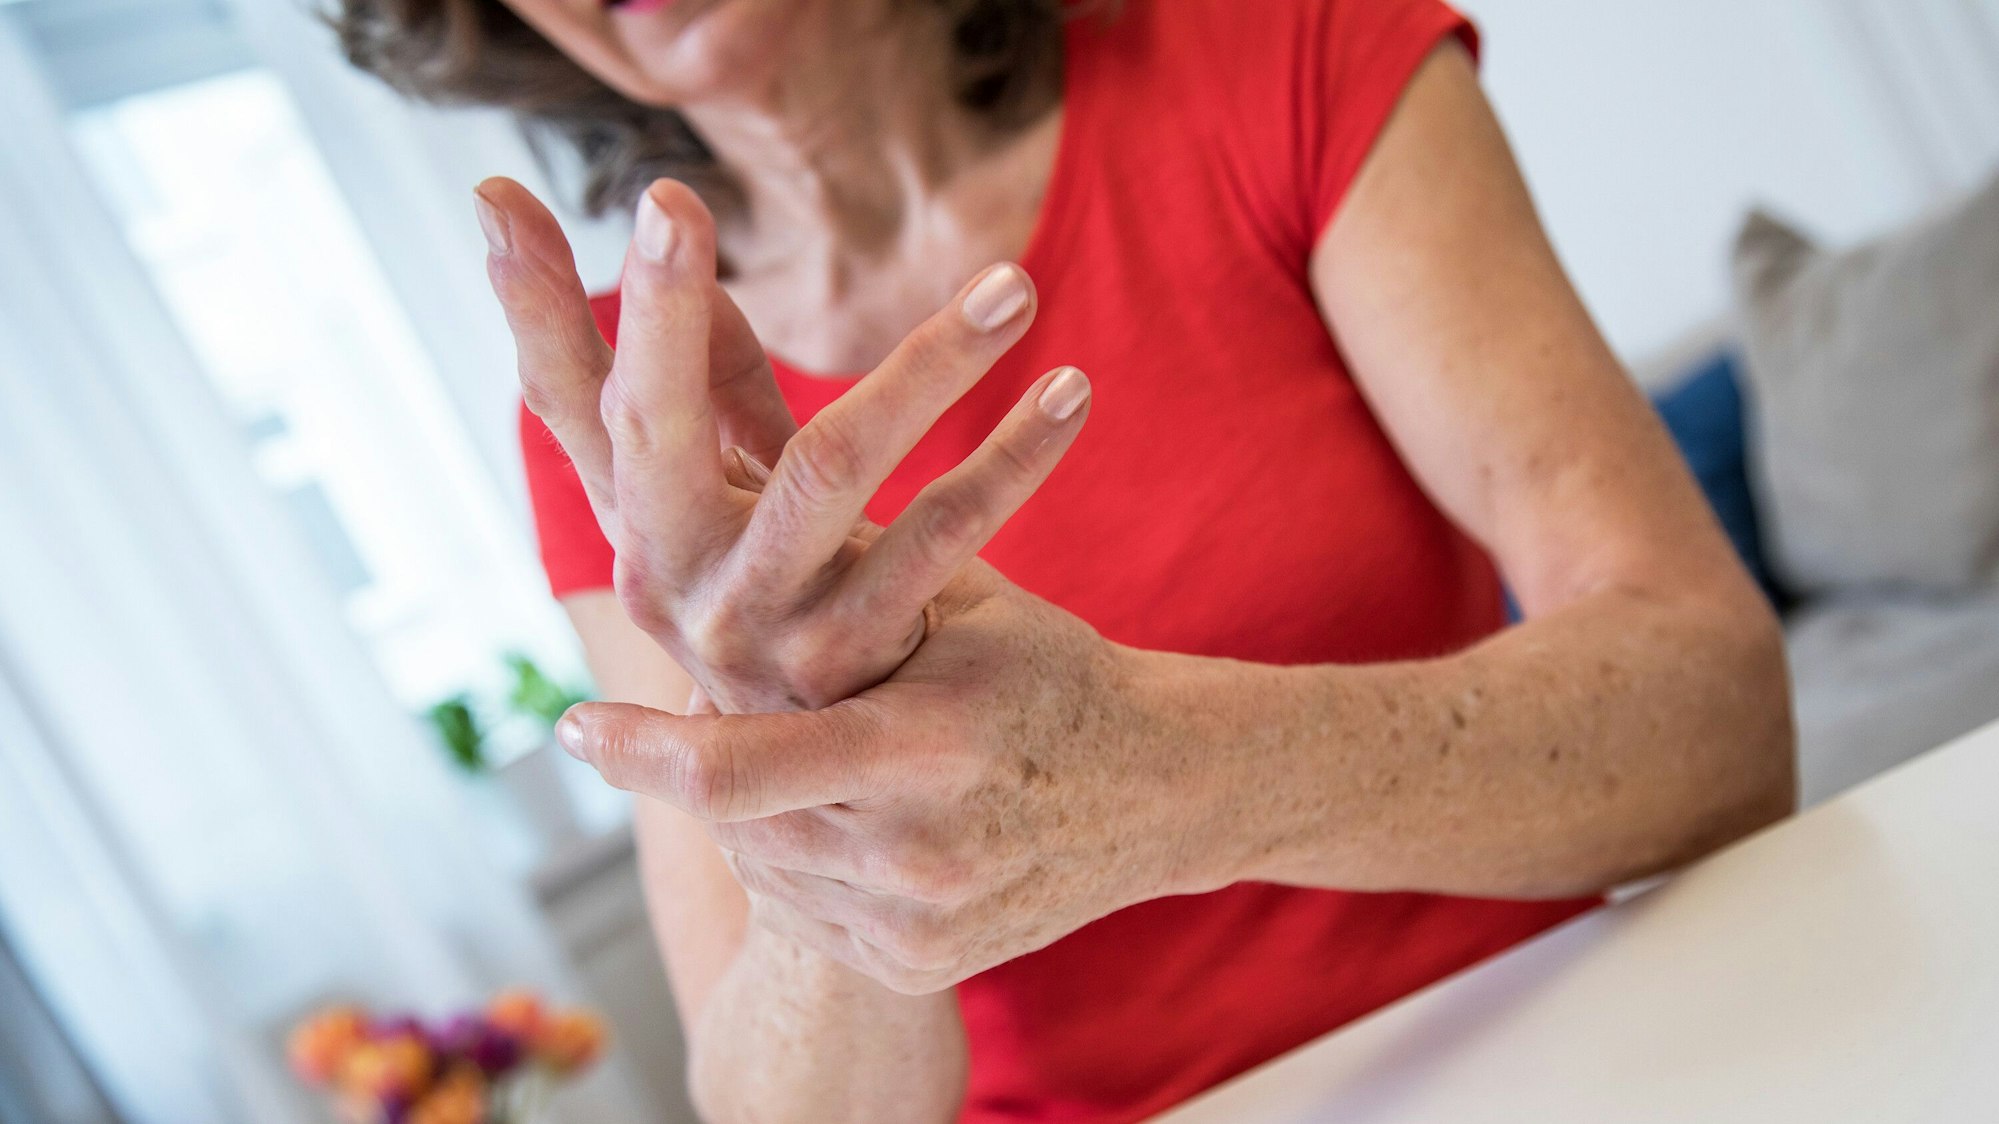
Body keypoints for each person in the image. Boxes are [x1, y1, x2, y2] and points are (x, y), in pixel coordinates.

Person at [334, 1, 1797, 1120]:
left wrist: (1156, 775)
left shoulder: (1285, 52)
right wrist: (802, 773)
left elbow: (1716, 714)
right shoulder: (628, 413)